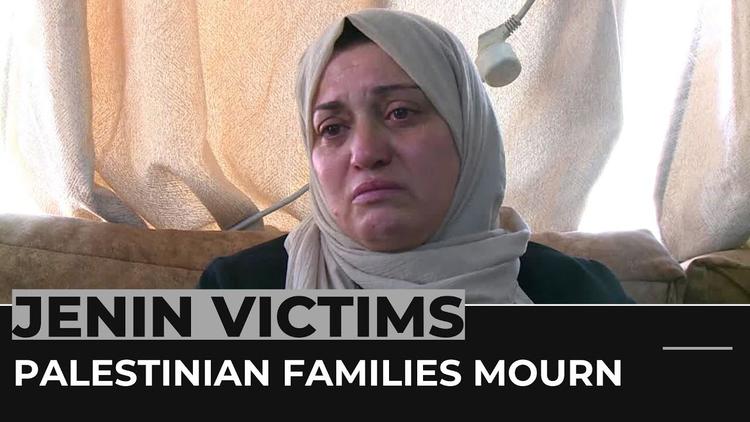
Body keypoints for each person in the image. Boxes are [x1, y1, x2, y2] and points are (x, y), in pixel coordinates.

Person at [199, 9, 633, 304]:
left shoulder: (577, 295)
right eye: (331, 128)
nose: (366, 153)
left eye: (401, 113)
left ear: (469, 132)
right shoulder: (237, 292)